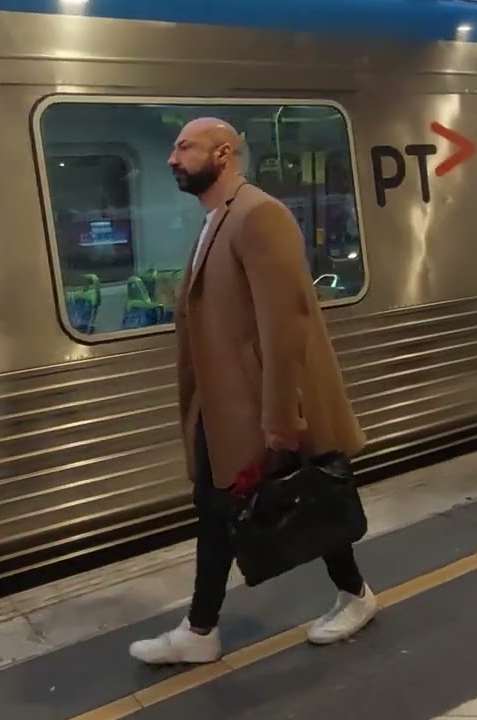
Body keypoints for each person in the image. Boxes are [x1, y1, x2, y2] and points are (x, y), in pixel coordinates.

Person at [129, 118, 377, 665]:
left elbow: (284, 322)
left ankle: (207, 627)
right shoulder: (216, 220)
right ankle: (207, 627)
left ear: (224, 152)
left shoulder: (258, 215)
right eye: (172, 146)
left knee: (290, 498)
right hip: (220, 404)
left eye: (184, 146)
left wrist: (280, 415)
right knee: (239, 506)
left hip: (255, 404)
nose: (172, 157)